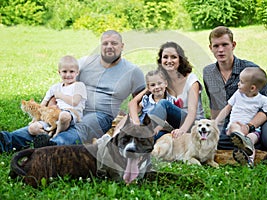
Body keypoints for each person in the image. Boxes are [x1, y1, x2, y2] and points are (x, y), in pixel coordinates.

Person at [0, 30, 145, 152]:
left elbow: (141, 100)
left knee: (82, 128)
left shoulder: (132, 71)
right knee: (41, 126)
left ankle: (53, 146)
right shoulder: (84, 63)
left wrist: (130, 119)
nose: (109, 47)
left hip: (100, 115)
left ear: (122, 46)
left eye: (114, 43)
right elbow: (60, 86)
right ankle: (6, 140)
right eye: (105, 43)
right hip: (71, 108)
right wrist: (51, 108)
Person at [203, 26, 267, 181]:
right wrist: (214, 126)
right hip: (232, 124)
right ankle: (252, 145)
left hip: (258, 122)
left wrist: (249, 126)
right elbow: (216, 106)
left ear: (233, 45)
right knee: (211, 138)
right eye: (216, 46)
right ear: (210, 48)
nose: (220, 50)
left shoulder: (251, 70)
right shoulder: (208, 72)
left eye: (225, 45)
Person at [215, 67, 267, 167]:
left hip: (253, 130)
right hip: (235, 127)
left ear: (252, 88)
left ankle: (249, 160)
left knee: (251, 138)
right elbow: (227, 108)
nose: (238, 83)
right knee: (235, 127)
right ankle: (241, 140)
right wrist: (216, 121)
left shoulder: (262, 99)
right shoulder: (238, 94)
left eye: (241, 82)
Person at [134, 41, 205, 140]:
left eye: (174, 57)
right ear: (161, 60)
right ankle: (130, 146)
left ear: (180, 59)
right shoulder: (162, 81)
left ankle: (139, 134)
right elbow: (135, 102)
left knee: (164, 104)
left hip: (193, 125)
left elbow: (192, 112)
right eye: (165, 57)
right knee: (156, 137)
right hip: (172, 125)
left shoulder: (191, 80)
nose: (169, 60)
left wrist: (182, 130)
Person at [28, 55, 87, 140]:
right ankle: (47, 135)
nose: (68, 75)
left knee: (64, 116)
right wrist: (39, 114)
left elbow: (75, 102)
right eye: (64, 71)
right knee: (32, 128)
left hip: (71, 115)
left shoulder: (79, 86)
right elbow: (43, 103)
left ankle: (56, 134)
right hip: (54, 115)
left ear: (77, 72)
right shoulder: (55, 87)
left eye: (71, 71)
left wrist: (60, 96)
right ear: (59, 72)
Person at [113, 69, 177, 141]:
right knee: (128, 121)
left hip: (156, 130)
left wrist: (159, 127)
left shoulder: (170, 101)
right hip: (141, 126)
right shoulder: (146, 99)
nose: (156, 87)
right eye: (153, 85)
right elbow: (133, 106)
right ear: (148, 88)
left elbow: (169, 123)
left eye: (159, 83)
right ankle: (114, 139)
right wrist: (136, 123)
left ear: (166, 83)